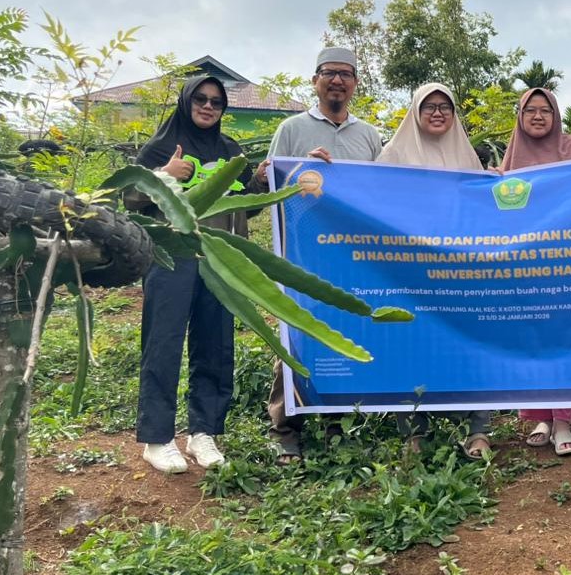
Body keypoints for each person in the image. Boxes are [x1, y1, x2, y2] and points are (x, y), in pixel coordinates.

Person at [253, 47, 384, 464]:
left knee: (341, 332)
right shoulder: (292, 129)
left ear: (355, 84)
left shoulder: (369, 136)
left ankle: (335, 424)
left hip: (352, 254)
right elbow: (268, 185)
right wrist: (297, 171)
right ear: (315, 80)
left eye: (346, 75)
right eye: (330, 73)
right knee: (295, 333)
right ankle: (284, 427)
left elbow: (381, 194)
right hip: (302, 252)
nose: (338, 81)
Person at [134, 75, 255, 474]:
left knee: (216, 345)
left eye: (216, 102)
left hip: (219, 260)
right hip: (171, 258)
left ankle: (204, 432)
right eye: (200, 99)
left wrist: (264, 178)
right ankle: (157, 438)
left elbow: (247, 204)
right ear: (186, 102)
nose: (208, 106)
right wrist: (166, 173)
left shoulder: (231, 151)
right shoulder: (161, 147)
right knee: (163, 342)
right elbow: (128, 196)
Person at [378, 82, 491, 458]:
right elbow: (368, 202)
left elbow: (483, 210)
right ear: (415, 111)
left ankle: (477, 430)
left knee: (472, 344)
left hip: (460, 270)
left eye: (446, 106)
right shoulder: (393, 154)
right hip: (410, 270)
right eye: (430, 106)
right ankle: (414, 432)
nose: (438, 112)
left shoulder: (467, 156)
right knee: (408, 345)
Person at [499, 87, 571, 456]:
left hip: (569, 262)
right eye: (530, 111)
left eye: (545, 110)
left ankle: (563, 420)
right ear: (520, 117)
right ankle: (540, 413)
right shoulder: (510, 160)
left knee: (564, 335)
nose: (538, 117)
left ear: (556, 115)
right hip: (526, 266)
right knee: (532, 336)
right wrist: (489, 184)